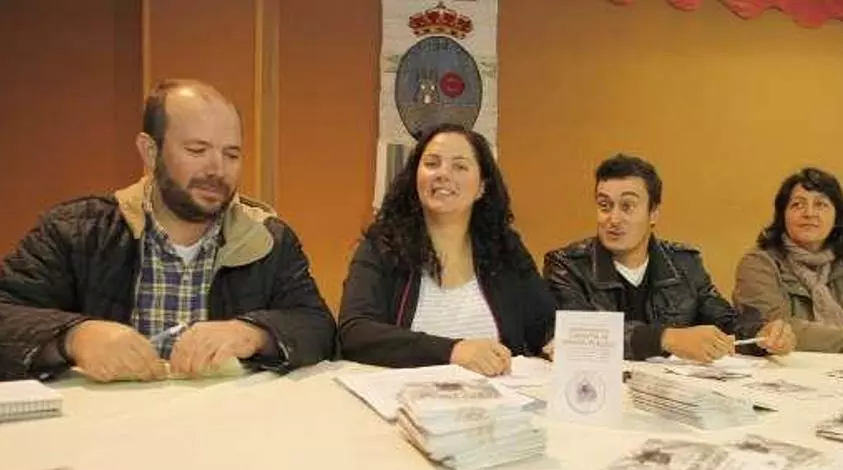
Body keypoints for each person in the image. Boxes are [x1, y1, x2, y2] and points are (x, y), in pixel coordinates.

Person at [0, 79, 336, 382]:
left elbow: (318, 327)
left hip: (224, 420)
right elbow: (8, 311)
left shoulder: (268, 239)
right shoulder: (76, 231)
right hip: (103, 422)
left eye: (231, 155)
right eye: (197, 150)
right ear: (150, 151)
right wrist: (74, 337)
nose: (217, 170)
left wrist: (253, 333)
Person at [338, 124, 555, 376]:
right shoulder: (381, 245)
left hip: (496, 396)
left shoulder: (505, 248)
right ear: (415, 178)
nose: (443, 174)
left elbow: (544, 323)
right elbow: (355, 332)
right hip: (404, 395)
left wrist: (559, 342)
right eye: (432, 164)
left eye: (460, 166)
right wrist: (453, 351)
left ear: (482, 187)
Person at [543, 154, 794, 362]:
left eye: (627, 206)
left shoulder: (684, 263)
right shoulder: (567, 265)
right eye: (604, 206)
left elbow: (726, 323)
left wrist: (763, 335)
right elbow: (578, 334)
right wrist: (666, 339)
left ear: (653, 213)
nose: (614, 219)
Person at [733, 167, 843, 353]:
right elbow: (775, 330)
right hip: (784, 366)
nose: (809, 213)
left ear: (837, 217)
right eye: (797, 205)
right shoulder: (758, 263)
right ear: (782, 215)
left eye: (820, 205)